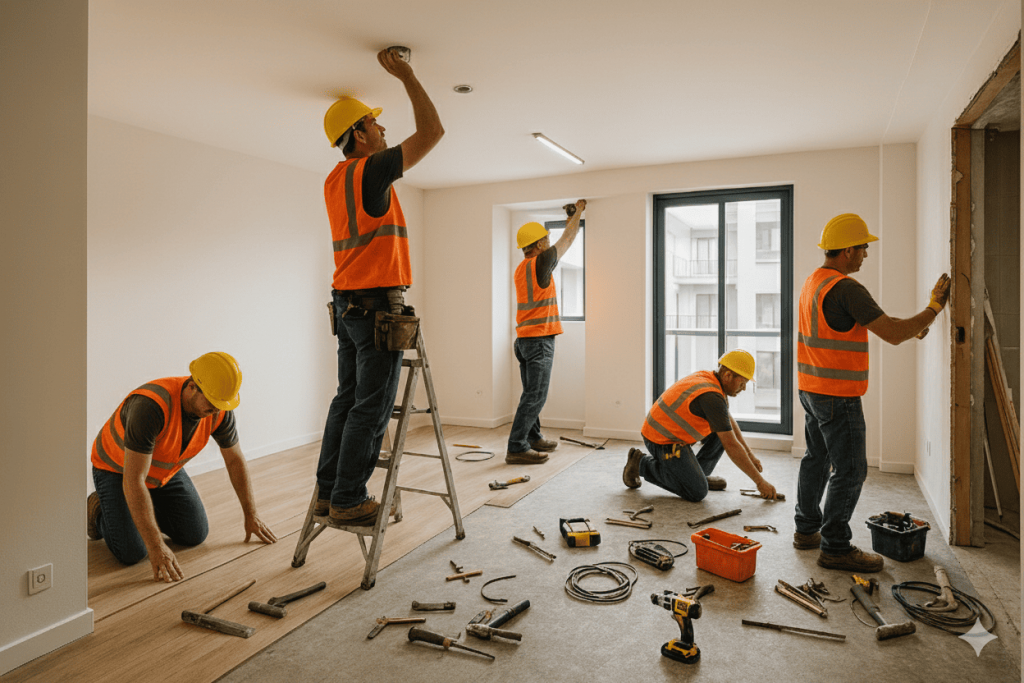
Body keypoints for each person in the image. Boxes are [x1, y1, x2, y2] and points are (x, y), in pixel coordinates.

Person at [315, 48, 444, 525]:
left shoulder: (335, 179)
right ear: (358, 134)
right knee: (370, 408)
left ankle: (328, 494)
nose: (383, 130)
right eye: (375, 123)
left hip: (347, 304)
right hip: (373, 307)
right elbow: (432, 133)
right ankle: (350, 499)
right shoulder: (369, 170)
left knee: (346, 400)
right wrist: (407, 74)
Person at [794, 213, 949, 572]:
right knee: (850, 470)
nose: (866, 254)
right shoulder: (847, 288)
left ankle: (806, 530)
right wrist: (934, 308)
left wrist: (912, 327)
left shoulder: (813, 281)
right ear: (848, 250)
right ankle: (835, 546)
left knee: (816, 459)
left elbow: (868, 323)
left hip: (811, 388)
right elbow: (892, 333)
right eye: (864, 248)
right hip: (837, 395)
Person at [87, 352, 277, 582]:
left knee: (194, 533)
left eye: (221, 404)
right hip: (117, 470)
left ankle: (141, 510)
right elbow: (134, 479)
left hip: (162, 473)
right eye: (212, 402)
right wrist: (156, 546)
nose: (216, 410)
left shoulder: (219, 408)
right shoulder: (150, 407)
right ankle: (98, 508)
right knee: (133, 552)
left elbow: (235, 460)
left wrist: (251, 514)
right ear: (192, 386)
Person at [623, 350, 777, 501]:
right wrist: (760, 482)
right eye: (742, 383)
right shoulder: (711, 397)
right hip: (662, 441)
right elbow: (731, 445)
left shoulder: (712, 380)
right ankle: (641, 463)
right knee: (697, 491)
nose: (744, 388)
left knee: (722, 432)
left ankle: (697, 476)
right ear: (728, 375)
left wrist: (750, 454)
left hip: (671, 435)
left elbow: (727, 421)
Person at [506, 199, 587, 464]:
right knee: (536, 395)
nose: (549, 242)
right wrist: (578, 212)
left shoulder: (522, 268)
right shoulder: (541, 262)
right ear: (539, 245)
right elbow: (569, 238)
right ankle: (517, 446)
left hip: (524, 340)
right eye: (546, 239)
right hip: (539, 340)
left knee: (530, 392)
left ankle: (533, 437)